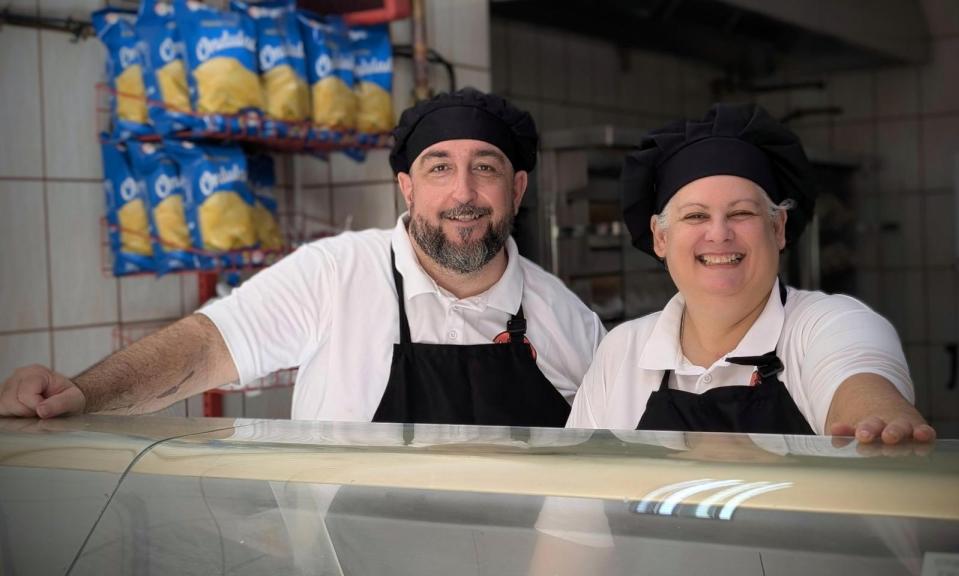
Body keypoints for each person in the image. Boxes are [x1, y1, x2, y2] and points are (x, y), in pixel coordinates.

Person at [0, 88, 606, 425]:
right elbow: (206, 347)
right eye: (439, 168)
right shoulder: (336, 275)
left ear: (517, 189)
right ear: (407, 187)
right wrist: (82, 394)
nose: (463, 193)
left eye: (486, 168)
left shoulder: (570, 322)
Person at [568, 102, 934, 445]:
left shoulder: (828, 324)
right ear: (661, 237)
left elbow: (862, 384)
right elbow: (576, 486)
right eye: (695, 216)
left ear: (778, 227)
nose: (719, 233)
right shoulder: (622, 351)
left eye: (741, 213)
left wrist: (877, 422)